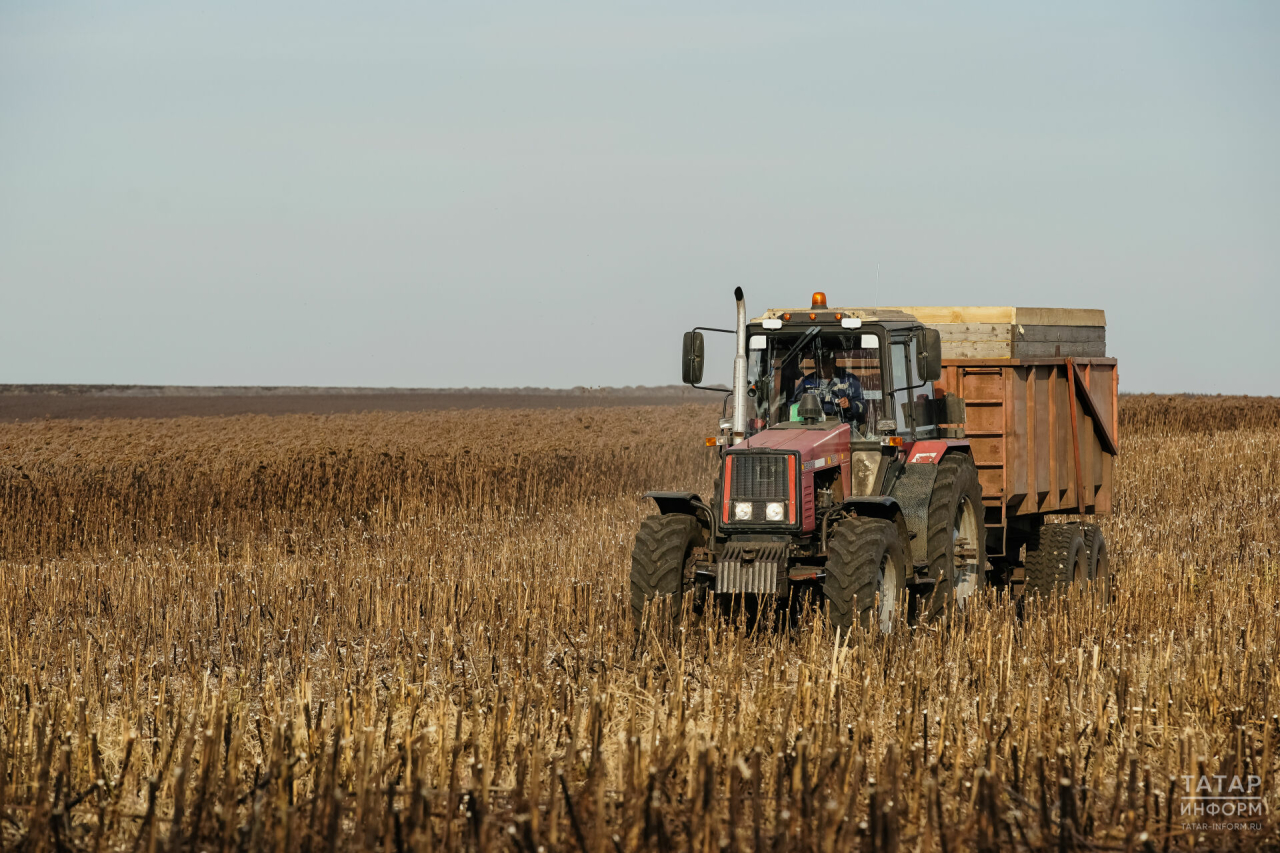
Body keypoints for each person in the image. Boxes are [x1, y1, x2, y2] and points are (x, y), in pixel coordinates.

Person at [788, 351, 866, 424]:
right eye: (817, 363)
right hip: (814, 426)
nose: (820, 366)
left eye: (824, 363)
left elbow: (863, 407)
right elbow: (792, 404)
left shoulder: (850, 380)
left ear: (833, 362)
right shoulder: (807, 381)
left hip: (843, 426)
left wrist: (850, 405)